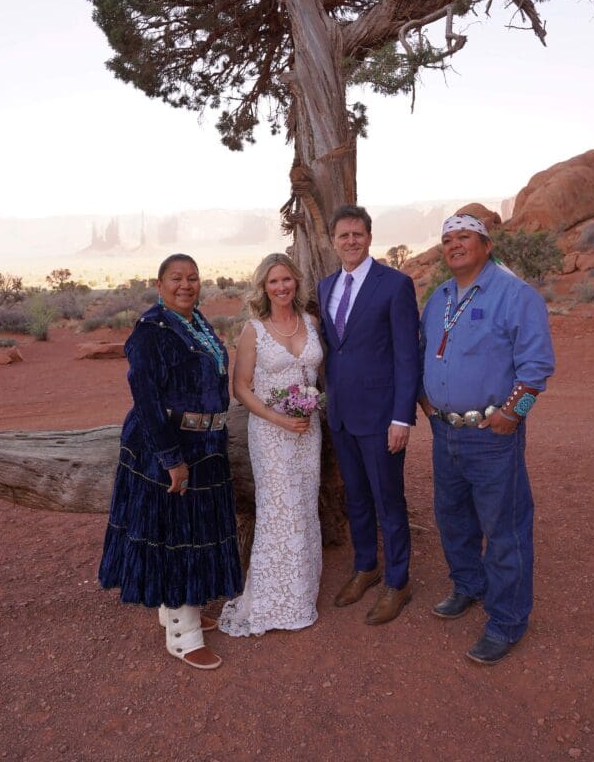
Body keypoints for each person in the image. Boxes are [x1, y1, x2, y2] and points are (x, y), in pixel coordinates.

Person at [419, 214, 555, 665]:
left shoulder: (515, 295)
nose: (455, 245)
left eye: (464, 237)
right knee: (453, 516)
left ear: (486, 244)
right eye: (448, 239)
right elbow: (424, 352)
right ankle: (468, 586)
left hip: (492, 436)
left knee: (504, 527)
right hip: (445, 431)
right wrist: (425, 398)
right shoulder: (438, 297)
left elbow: (537, 370)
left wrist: (512, 416)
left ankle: (507, 620)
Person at [98, 254, 243, 670]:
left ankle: (177, 609)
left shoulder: (197, 321)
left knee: (193, 534)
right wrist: (171, 459)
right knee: (178, 538)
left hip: (207, 444)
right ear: (159, 284)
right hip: (170, 447)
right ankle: (183, 636)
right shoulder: (150, 331)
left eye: (193, 278)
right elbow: (145, 399)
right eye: (176, 278)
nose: (186, 285)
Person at [318, 205, 420, 625]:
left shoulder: (394, 285)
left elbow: (406, 356)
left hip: (381, 418)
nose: (351, 241)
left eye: (358, 234)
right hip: (341, 415)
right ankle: (366, 568)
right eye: (343, 235)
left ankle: (398, 581)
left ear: (369, 237)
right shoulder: (326, 287)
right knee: (356, 499)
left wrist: (402, 418)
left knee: (388, 500)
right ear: (333, 241)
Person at [219, 253, 323, 636]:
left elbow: (319, 375)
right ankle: (272, 601)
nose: (281, 287)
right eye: (273, 282)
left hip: (307, 431)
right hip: (271, 432)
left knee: (304, 506)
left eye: (286, 280)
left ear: (296, 282)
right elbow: (240, 387)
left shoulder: (310, 323)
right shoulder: (254, 331)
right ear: (263, 287)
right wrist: (279, 418)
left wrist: (313, 407)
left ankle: (302, 593)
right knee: (279, 509)